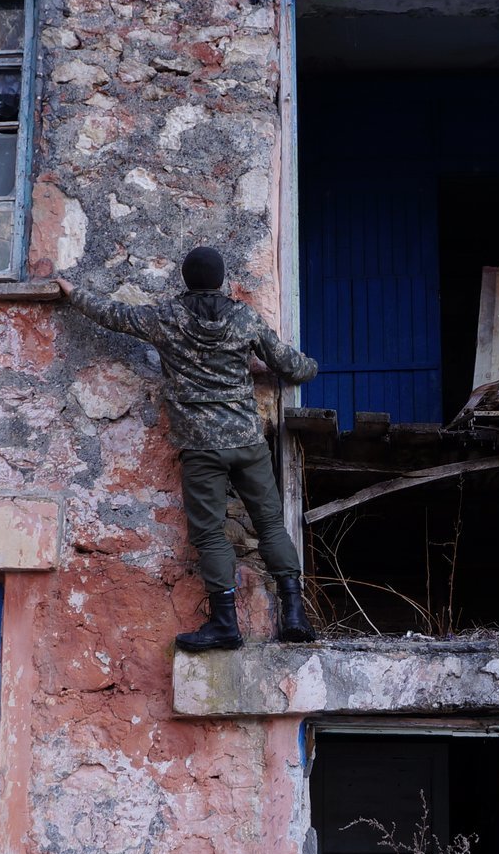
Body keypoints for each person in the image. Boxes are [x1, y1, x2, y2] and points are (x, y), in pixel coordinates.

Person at [54, 246, 319, 652]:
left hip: (201, 448)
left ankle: (225, 624)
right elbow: (290, 365)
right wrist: (311, 367)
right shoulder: (243, 318)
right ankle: (295, 616)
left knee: (211, 536)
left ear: (186, 279)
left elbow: (113, 315)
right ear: (221, 279)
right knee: (270, 525)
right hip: (247, 442)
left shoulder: (165, 317)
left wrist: (73, 292)